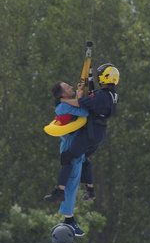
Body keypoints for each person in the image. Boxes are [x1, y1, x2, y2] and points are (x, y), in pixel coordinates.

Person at [44, 64, 119, 207]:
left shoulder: (102, 96)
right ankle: (90, 190)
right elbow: (91, 98)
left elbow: (83, 105)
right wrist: (83, 91)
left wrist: (65, 100)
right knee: (84, 159)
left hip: (91, 132)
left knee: (67, 157)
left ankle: (59, 191)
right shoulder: (112, 95)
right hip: (99, 133)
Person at [44, 81, 89, 237]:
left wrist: (79, 93)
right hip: (70, 145)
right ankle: (69, 220)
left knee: (74, 182)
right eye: (68, 87)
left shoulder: (63, 104)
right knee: (72, 184)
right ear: (63, 95)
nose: (71, 87)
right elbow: (84, 112)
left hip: (74, 142)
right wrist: (80, 97)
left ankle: (69, 218)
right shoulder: (63, 106)